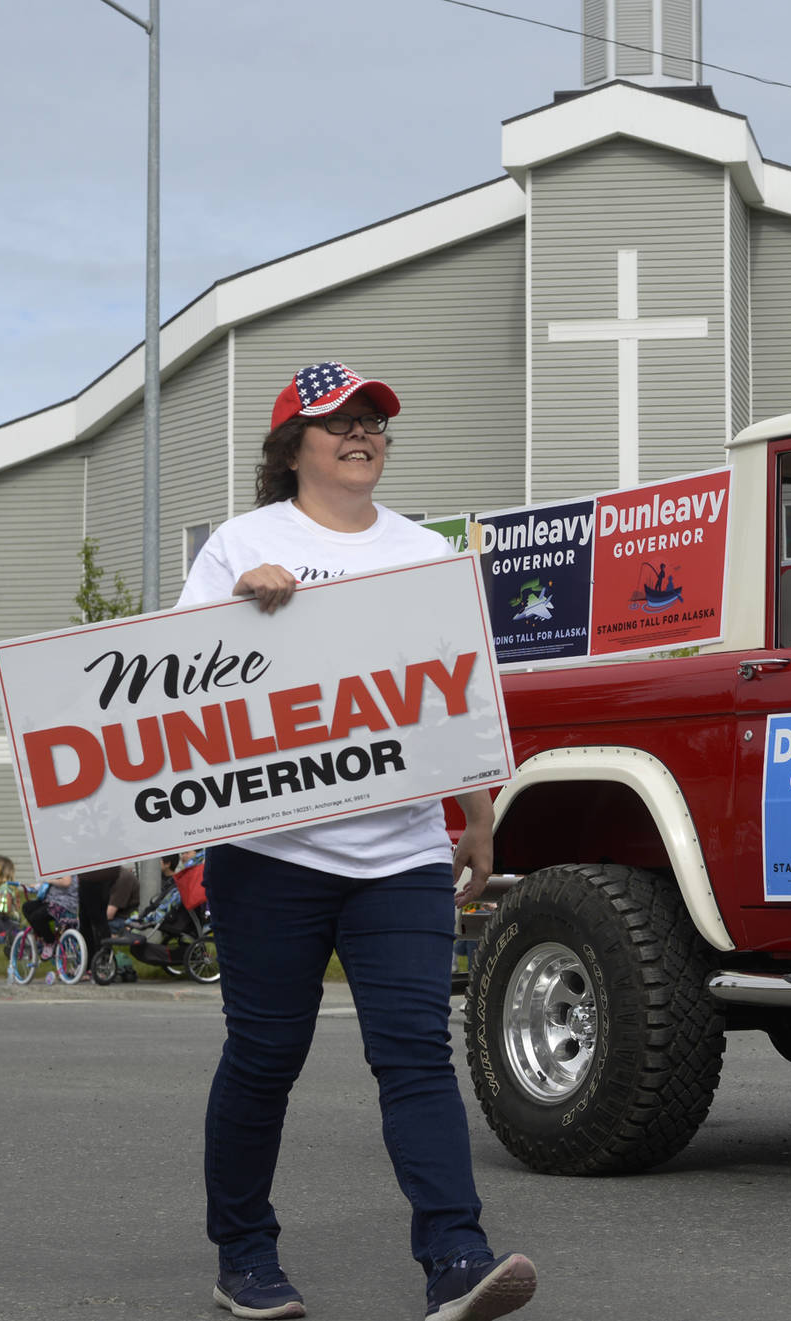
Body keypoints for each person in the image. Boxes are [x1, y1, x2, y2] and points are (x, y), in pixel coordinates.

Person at [179, 362, 535, 1321]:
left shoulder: (425, 551)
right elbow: (174, 693)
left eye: (375, 419)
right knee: (264, 1055)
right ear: (290, 446)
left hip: (402, 854)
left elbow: (451, 695)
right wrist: (232, 611)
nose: (363, 431)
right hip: (271, 855)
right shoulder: (239, 544)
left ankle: (457, 1259)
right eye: (338, 420)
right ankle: (244, 1256)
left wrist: (477, 813)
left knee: (417, 1053)